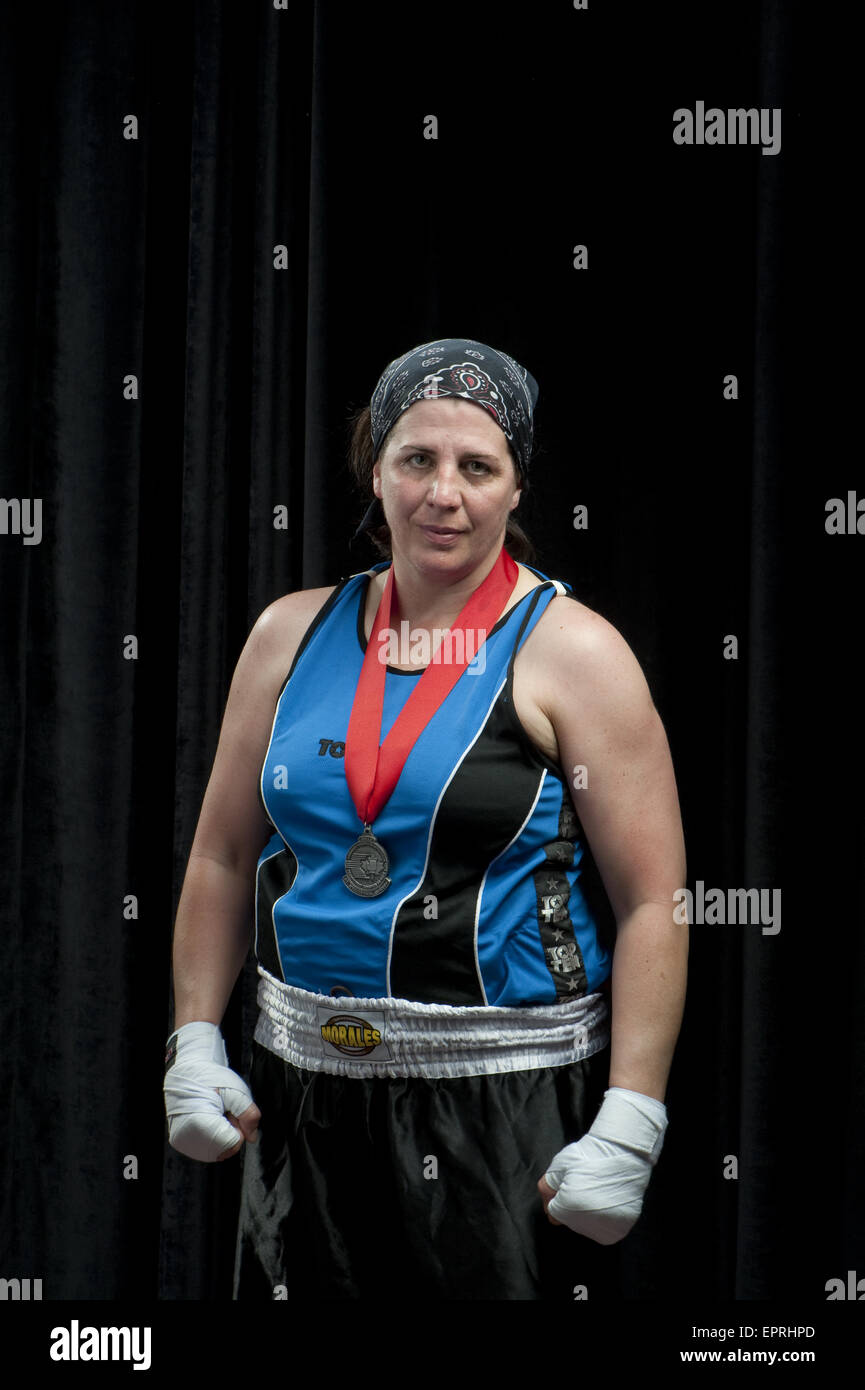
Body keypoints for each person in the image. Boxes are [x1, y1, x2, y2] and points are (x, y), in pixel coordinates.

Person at [164, 337, 688, 1301]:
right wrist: (193, 1038)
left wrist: (632, 1115)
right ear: (378, 469)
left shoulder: (574, 654)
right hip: (302, 1104)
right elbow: (222, 855)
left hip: (502, 1119)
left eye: (476, 466)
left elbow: (655, 899)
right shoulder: (290, 632)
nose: (443, 493)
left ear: (516, 487)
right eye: (417, 459)